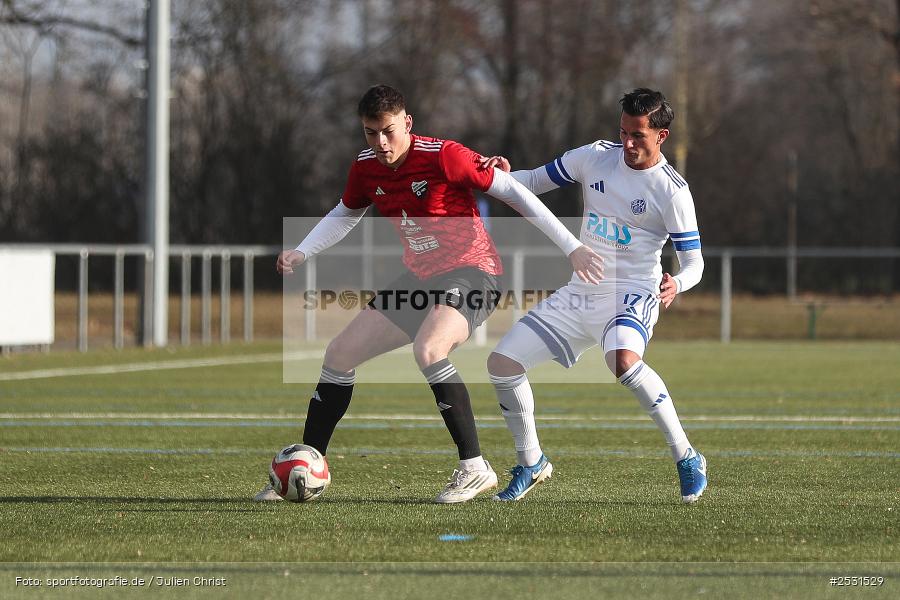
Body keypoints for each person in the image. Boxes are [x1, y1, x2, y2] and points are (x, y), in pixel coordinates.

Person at [256, 84, 602, 504]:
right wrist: (302, 250)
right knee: (339, 354)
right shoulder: (366, 166)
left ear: (407, 123)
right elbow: (345, 213)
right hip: (419, 277)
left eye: (387, 131)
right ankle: (309, 464)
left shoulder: (444, 156)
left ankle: (475, 468)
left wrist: (573, 246)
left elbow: (513, 191)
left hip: (474, 273)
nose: (380, 143)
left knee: (430, 349)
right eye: (369, 133)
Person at [483, 88, 708, 503]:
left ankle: (686, 456)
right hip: (581, 291)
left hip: (633, 293)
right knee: (502, 364)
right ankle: (531, 461)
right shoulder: (594, 156)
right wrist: (494, 176)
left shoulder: (672, 191)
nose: (627, 143)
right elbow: (532, 182)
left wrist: (678, 281)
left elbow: (694, 263)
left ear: (662, 135)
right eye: (623, 131)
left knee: (622, 362)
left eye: (638, 135)